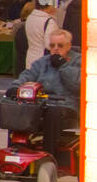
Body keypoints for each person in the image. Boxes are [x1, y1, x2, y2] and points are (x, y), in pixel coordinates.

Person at [17, 27, 81, 158]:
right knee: (18, 107)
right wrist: (16, 86)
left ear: (68, 46)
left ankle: (48, 155)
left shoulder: (78, 61)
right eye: (52, 45)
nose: (56, 48)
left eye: (60, 45)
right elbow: (27, 75)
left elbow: (78, 85)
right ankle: (18, 148)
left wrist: (63, 66)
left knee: (53, 112)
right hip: (43, 103)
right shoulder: (43, 62)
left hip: (67, 105)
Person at [24, 0, 57, 67]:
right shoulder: (49, 21)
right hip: (43, 61)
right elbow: (49, 44)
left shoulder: (30, 18)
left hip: (30, 57)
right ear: (48, 5)